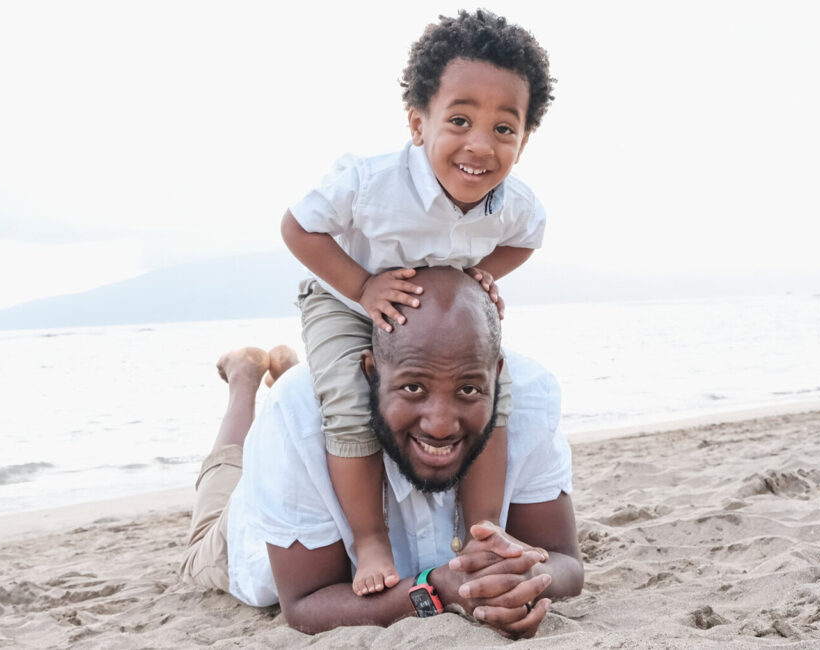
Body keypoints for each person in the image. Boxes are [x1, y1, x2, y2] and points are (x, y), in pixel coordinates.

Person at [280, 8, 556, 597]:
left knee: (495, 395)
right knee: (347, 400)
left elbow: (526, 241)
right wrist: (362, 286)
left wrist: (481, 274)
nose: (480, 144)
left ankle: (483, 533)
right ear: (417, 122)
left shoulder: (515, 204)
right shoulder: (370, 182)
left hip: (433, 317)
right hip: (344, 296)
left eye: (504, 129)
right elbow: (298, 228)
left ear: (524, 139)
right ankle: (371, 539)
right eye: (459, 120)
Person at [180, 267, 582, 638]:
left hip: (301, 447)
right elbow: (303, 605)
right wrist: (440, 589)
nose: (441, 426)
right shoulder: (293, 419)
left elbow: (566, 561)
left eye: (468, 390)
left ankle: (287, 368)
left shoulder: (528, 398)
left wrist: (523, 581)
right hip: (253, 519)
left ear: (496, 376)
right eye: (413, 388)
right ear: (370, 372)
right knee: (216, 501)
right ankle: (244, 378)